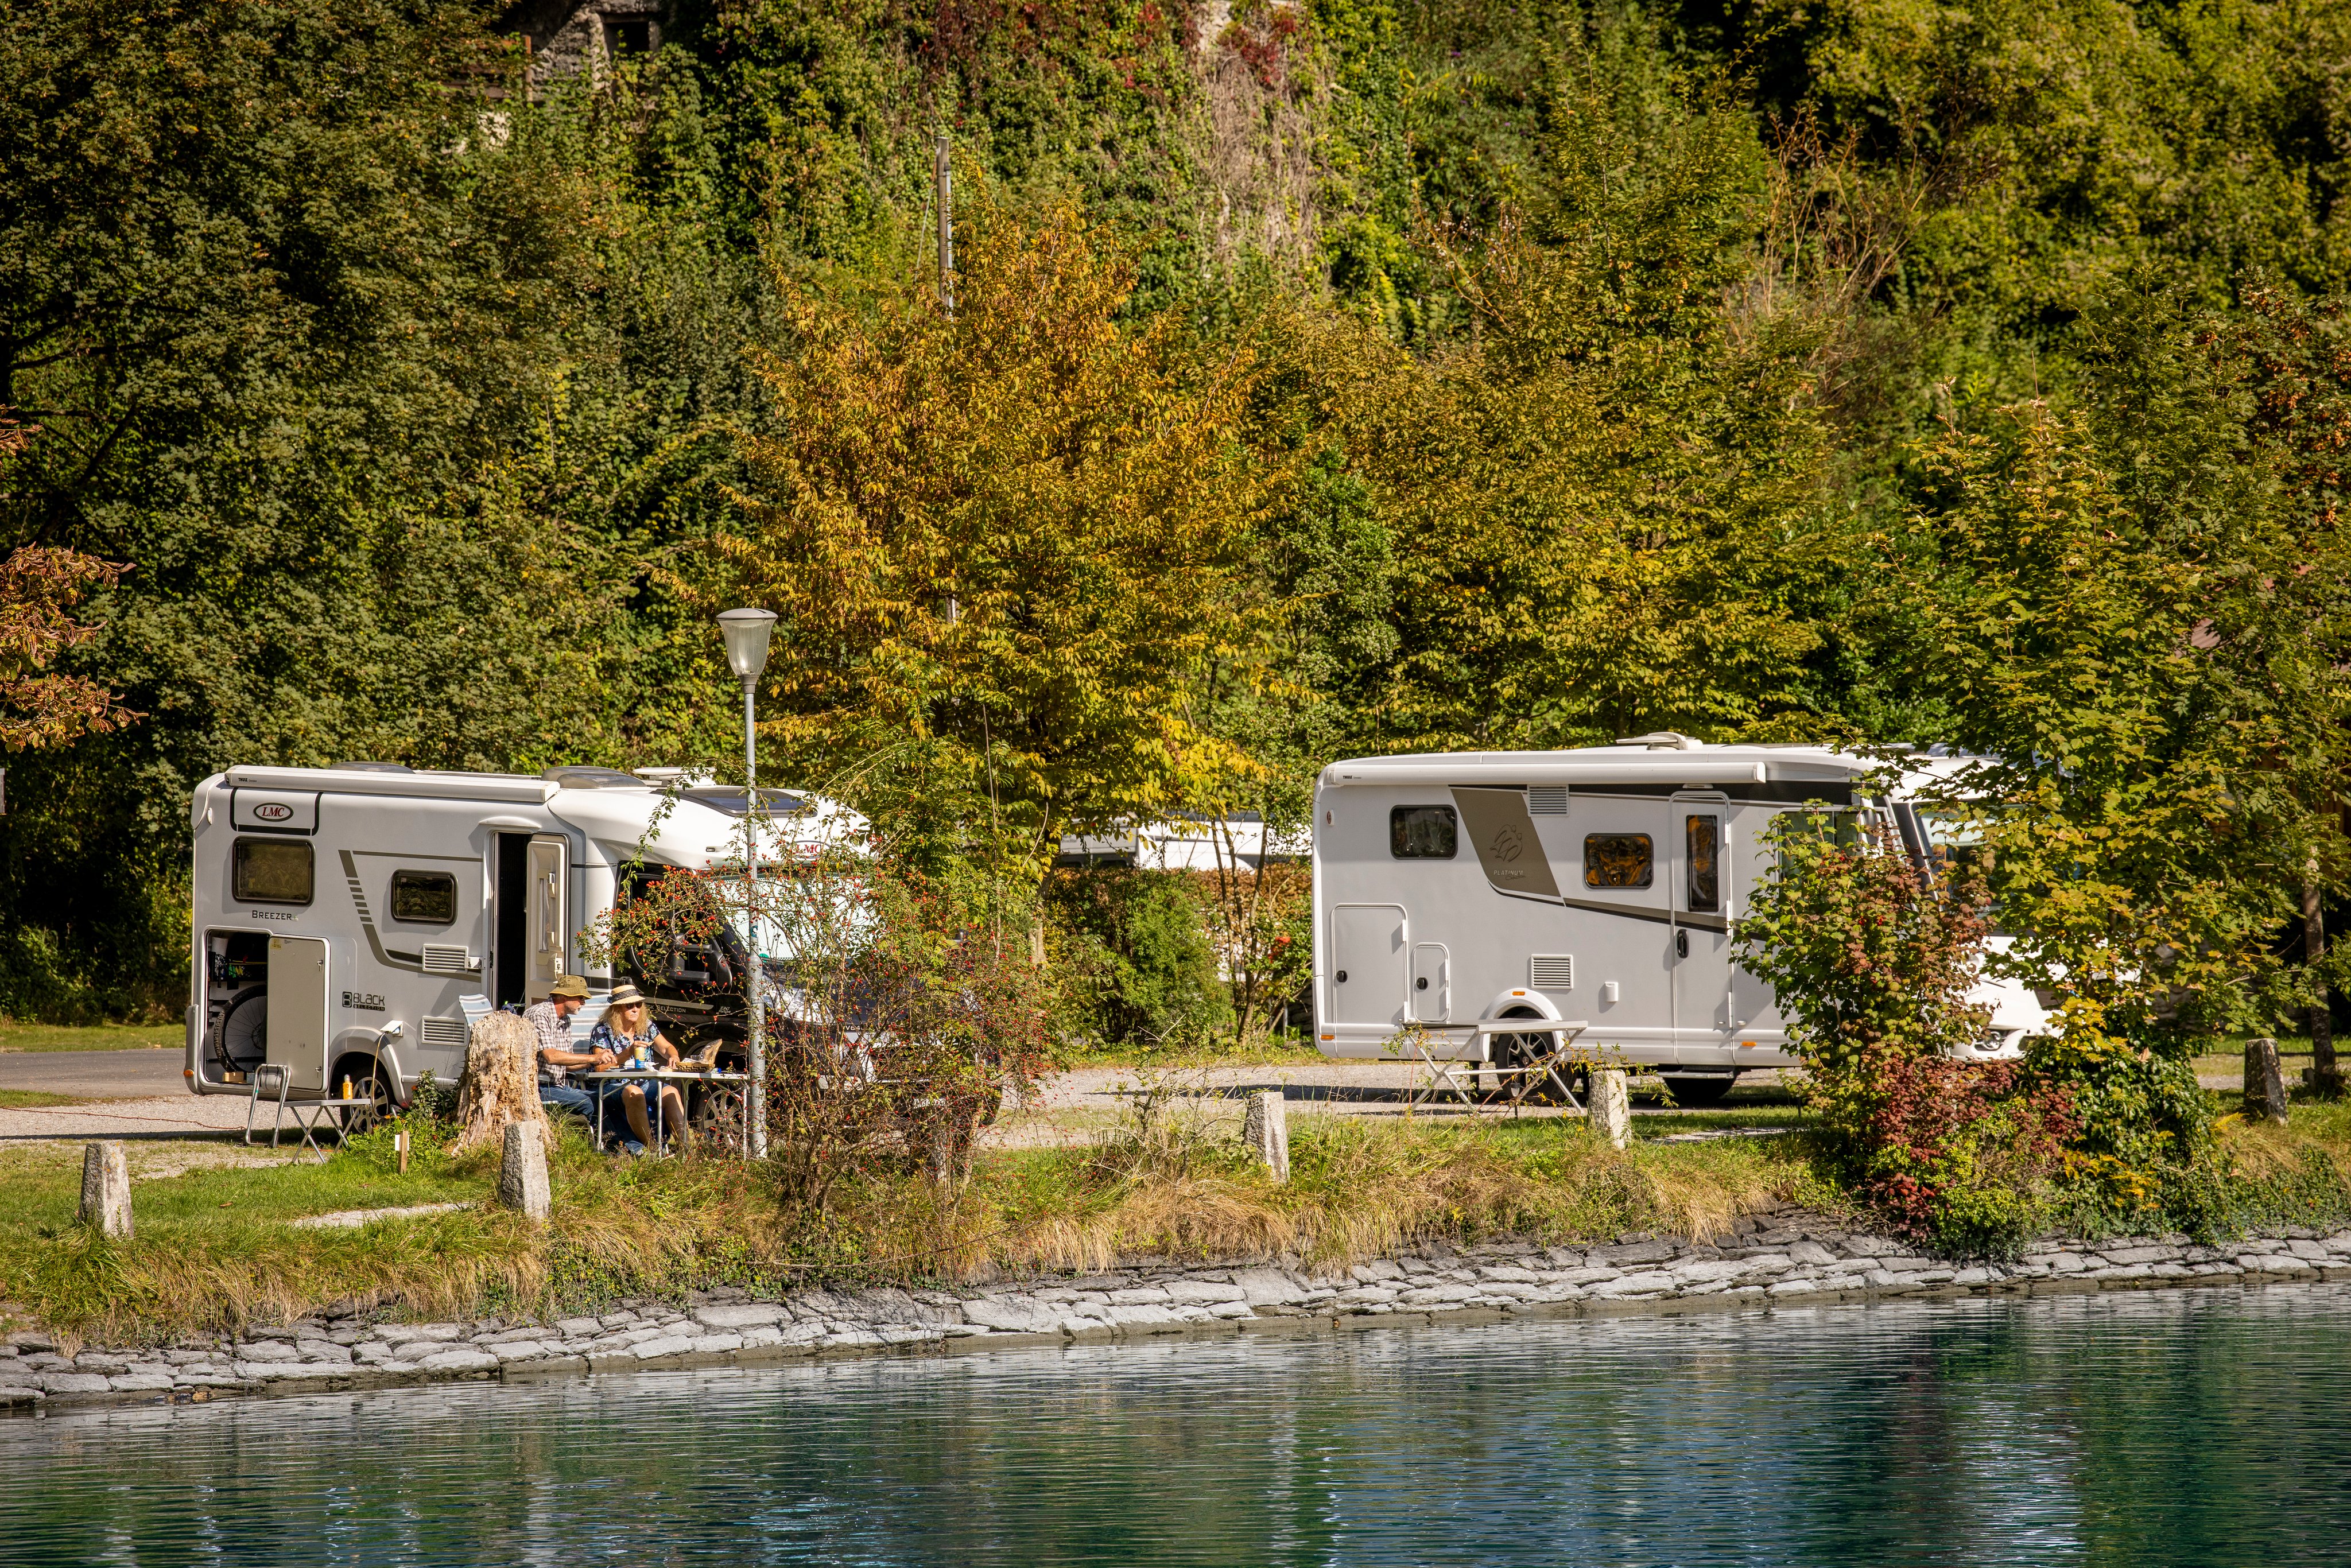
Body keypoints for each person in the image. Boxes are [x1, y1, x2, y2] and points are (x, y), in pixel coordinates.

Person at [587, 983, 689, 1151]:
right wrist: (628, 1053)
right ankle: (652, 1148)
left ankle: (686, 1148)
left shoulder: (646, 1025)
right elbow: (600, 1069)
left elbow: (665, 1047)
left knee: (671, 1092)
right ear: (617, 1009)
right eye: (630, 1006)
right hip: (612, 1084)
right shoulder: (602, 1030)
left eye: (638, 1005)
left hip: (645, 1081)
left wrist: (674, 1056)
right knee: (635, 1093)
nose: (635, 1009)